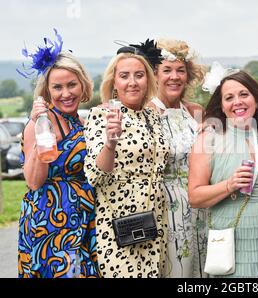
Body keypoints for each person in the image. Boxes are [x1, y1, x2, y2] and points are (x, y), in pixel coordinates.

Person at [84, 40, 169, 278]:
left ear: (148, 80)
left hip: (155, 221)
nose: (132, 82)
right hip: (120, 225)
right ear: (114, 82)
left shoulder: (153, 116)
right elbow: (94, 175)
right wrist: (110, 143)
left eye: (139, 75)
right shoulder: (101, 115)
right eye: (124, 76)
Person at [17, 29, 99, 278]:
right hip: (49, 221)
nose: (66, 93)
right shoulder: (41, 123)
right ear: (48, 90)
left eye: (72, 84)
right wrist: (40, 131)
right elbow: (33, 181)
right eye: (58, 87)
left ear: (83, 84)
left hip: (84, 218)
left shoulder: (82, 122)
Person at [188, 68, 258, 278]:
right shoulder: (209, 138)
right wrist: (229, 185)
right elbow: (195, 197)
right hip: (232, 239)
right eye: (229, 97)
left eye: (244, 94)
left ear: (256, 100)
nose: (237, 102)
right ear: (222, 106)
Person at [147, 38, 207, 278]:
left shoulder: (196, 112)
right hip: (166, 206)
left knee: (201, 268)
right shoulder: (146, 112)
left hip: (201, 203)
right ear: (155, 74)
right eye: (167, 70)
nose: (175, 77)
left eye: (180, 70)